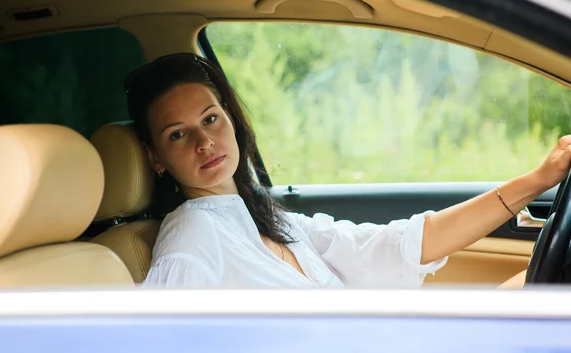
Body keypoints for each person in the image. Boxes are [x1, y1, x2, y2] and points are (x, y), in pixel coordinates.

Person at [125, 53, 570, 289]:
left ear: (230, 118)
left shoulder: (269, 219)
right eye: (177, 135)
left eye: (210, 118)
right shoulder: (190, 239)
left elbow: (399, 244)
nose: (205, 142)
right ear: (156, 158)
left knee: (535, 292)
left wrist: (538, 180)